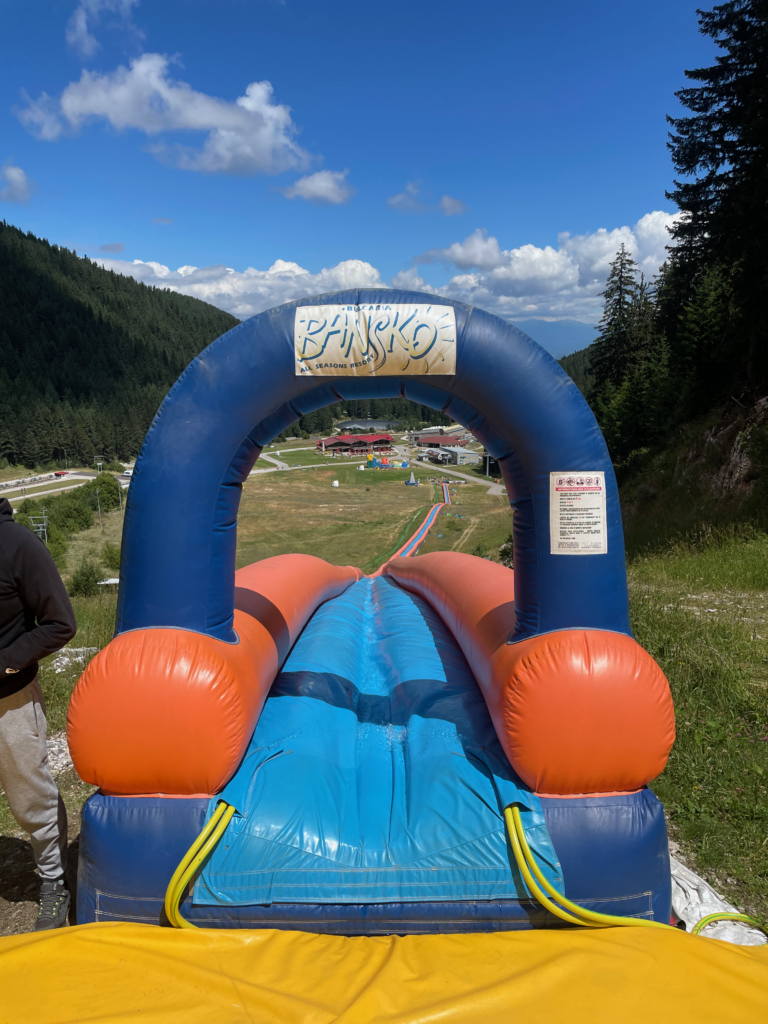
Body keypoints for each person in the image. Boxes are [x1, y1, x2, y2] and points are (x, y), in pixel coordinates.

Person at [0, 497, 77, 930]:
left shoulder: (17, 544)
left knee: (30, 799)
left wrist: (4, 662)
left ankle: (53, 879)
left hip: (9, 701)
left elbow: (60, 623)